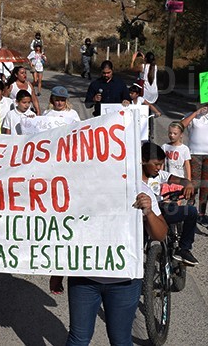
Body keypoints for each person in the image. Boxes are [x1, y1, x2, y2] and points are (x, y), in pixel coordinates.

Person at [64, 142, 167, 346]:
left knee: (120, 340)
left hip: (124, 283)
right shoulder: (83, 189)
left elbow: (160, 234)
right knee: (78, 338)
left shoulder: (141, 191)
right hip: (84, 278)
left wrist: (148, 212)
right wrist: (57, 271)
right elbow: (69, 232)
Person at [140, 142, 200, 265]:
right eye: (156, 164)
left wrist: (187, 184)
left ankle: (184, 249)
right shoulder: (132, 178)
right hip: (141, 216)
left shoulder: (159, 175)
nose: (159, 168)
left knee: (191, 211)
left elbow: (179, 180)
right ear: (143, 161)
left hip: (160, 211)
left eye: (161, 164)